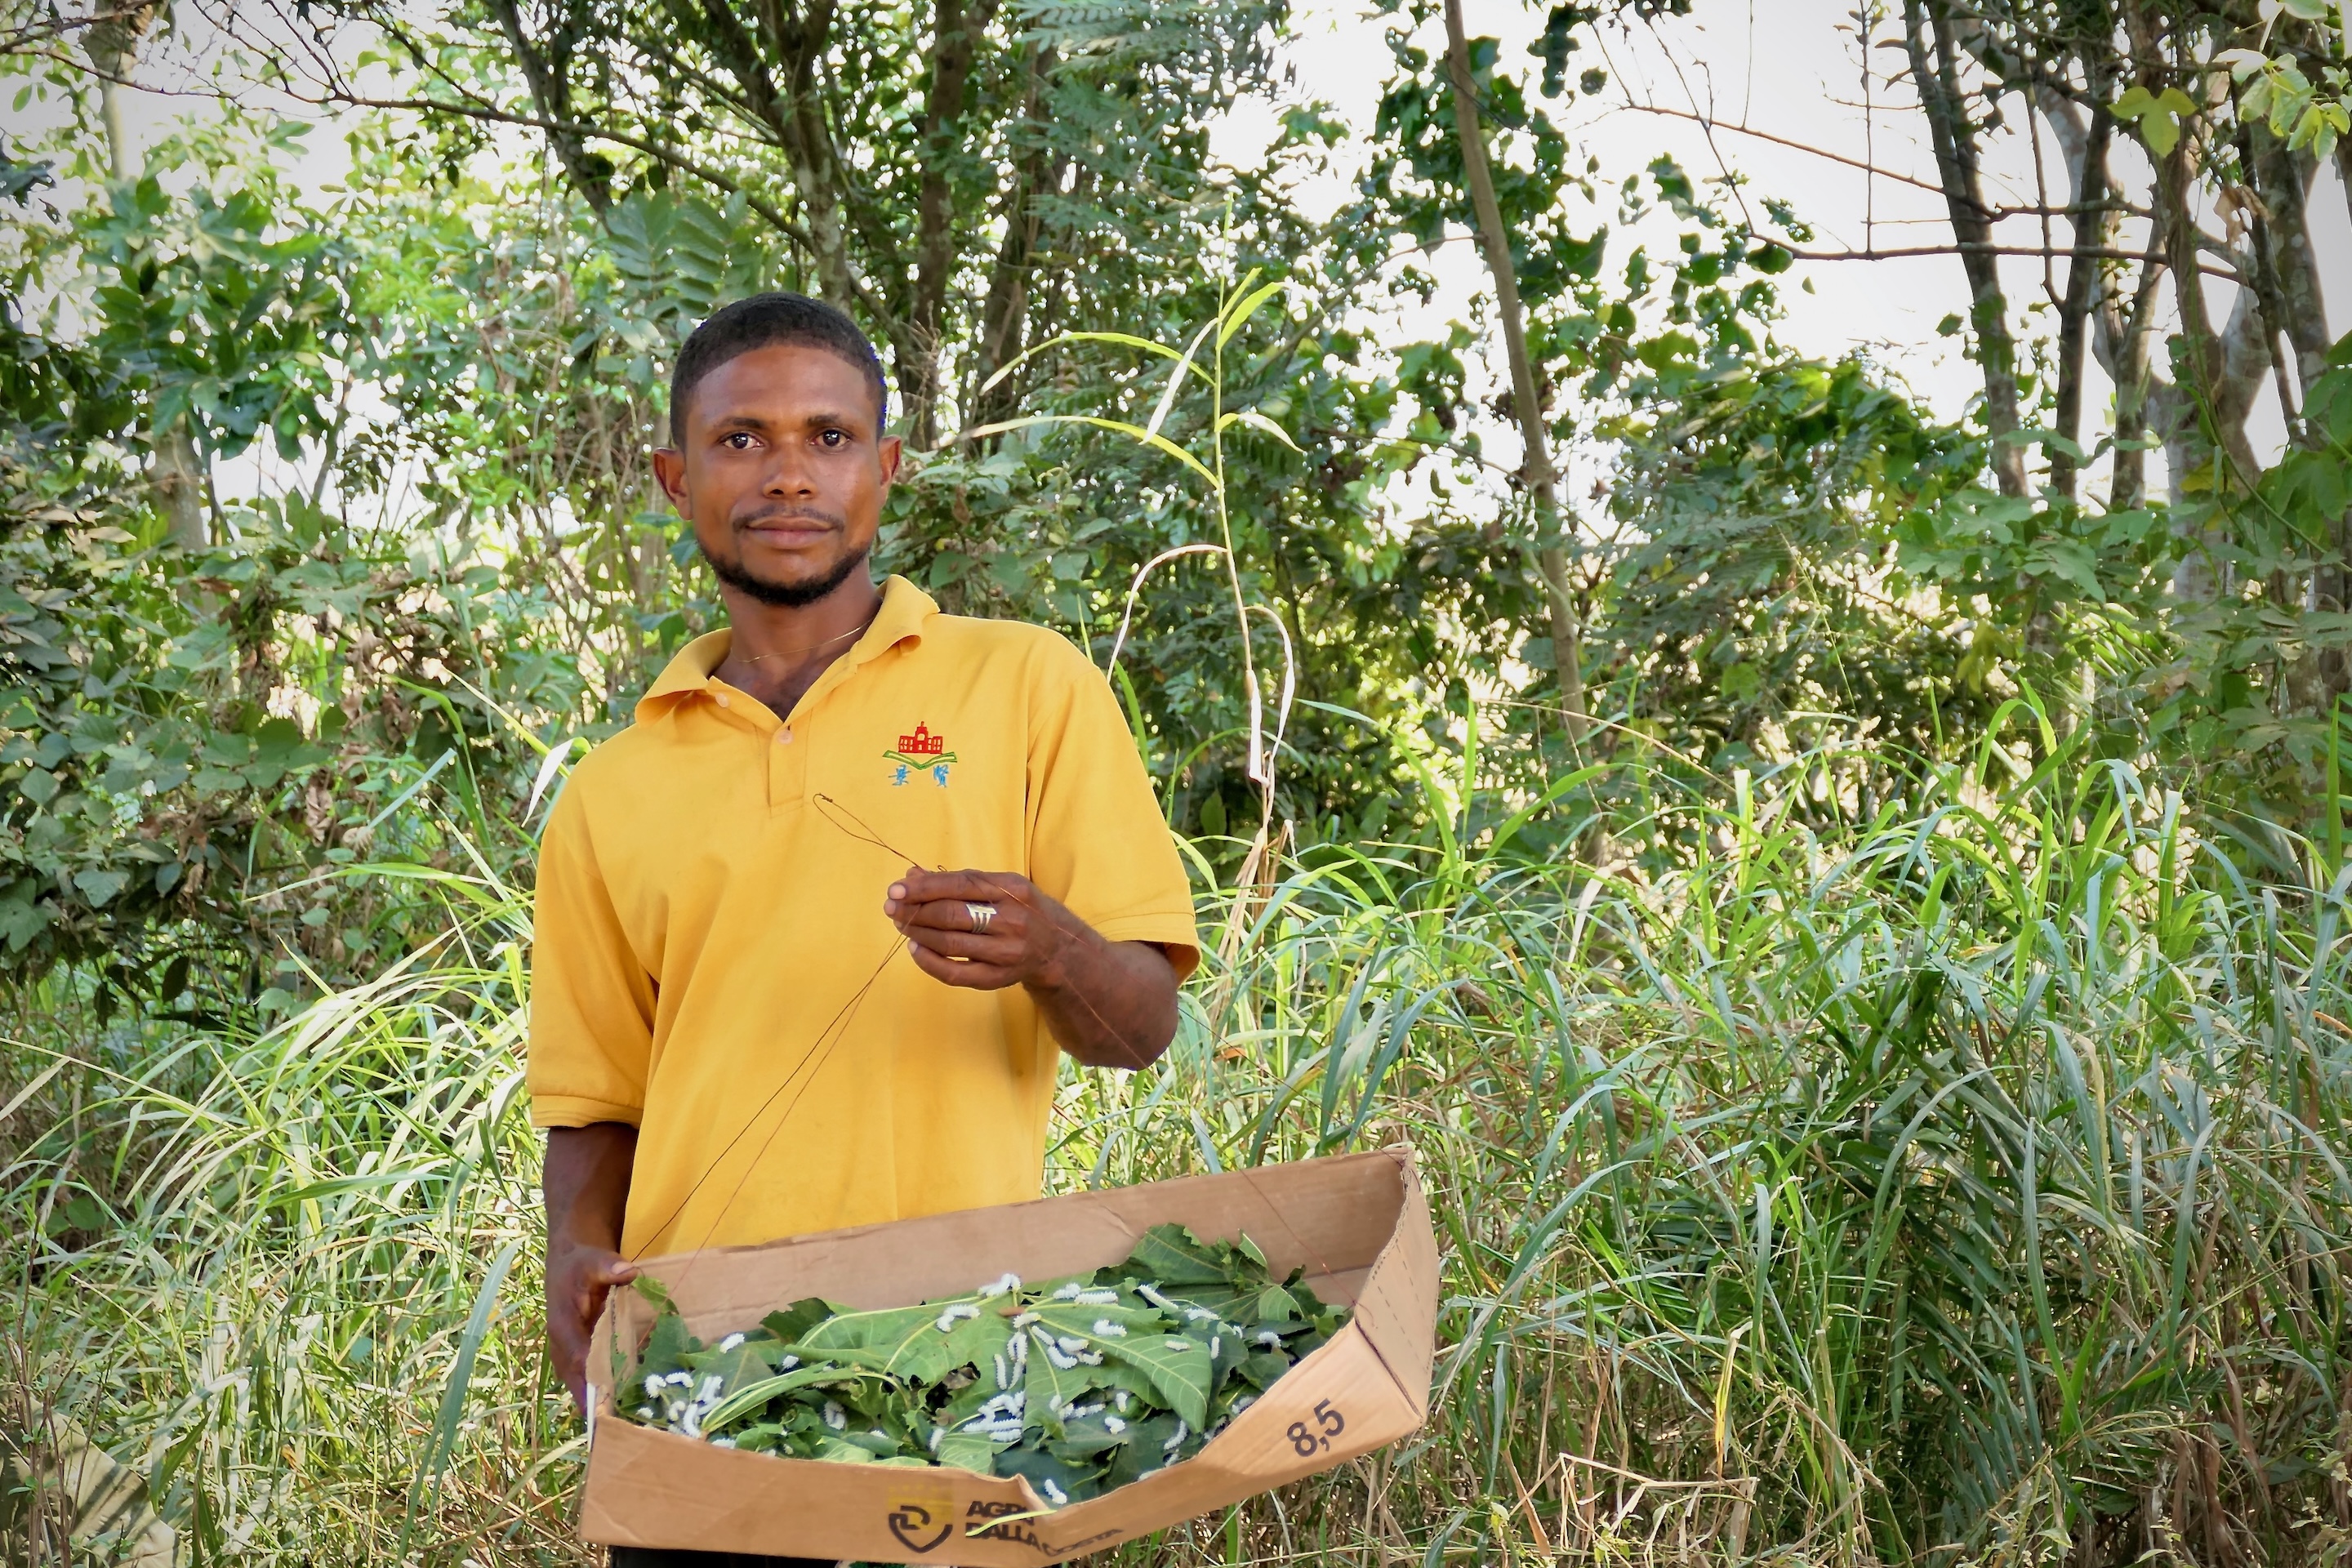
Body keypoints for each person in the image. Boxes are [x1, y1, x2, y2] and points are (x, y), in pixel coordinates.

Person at [528, 293, 1199, 1568]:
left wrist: (1051, 950)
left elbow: (1142, 1027)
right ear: (675, 477)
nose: (788, 473)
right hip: (700, 1374)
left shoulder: (1027, 684)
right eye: (741, 441)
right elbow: (595, 1095)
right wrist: (575, 1255)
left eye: (830, 437)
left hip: (961, 1364)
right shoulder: (612, 789)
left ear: (887, 469)